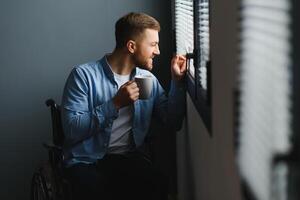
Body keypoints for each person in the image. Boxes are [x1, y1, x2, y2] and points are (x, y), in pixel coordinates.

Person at [61, 12, 187, 200]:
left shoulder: (146, 80)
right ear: (131, 46)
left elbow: (172, 121)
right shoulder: (84, 76)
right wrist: (115, 104)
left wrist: (176, 82)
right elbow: (72, 130)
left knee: (158, 182)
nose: (158, 51)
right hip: (86, 162)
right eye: (153, 45)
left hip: (126, 159)